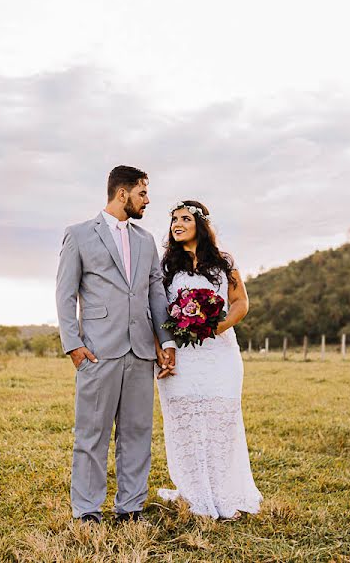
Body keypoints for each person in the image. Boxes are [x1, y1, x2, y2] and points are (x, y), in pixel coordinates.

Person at [55, 165, 177, 524]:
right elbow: (65, 295)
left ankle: (131, 507)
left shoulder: (146, 240)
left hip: (140, 352)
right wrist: (73, 345)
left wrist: (165, 340)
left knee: (138, 433)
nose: (147, 200)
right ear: (122, 193)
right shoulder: (78, 235)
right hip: (97, 351)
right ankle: (87, 510)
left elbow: (156, 293)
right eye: (142, 193)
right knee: (91, 434)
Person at [155, 199, 263, 519]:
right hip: (182, 356)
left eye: (185, 218)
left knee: (220, 421)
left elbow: (240, 302)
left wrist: (218, 327)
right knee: (184, 424)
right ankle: (194, 492)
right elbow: (157, 309)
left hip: (220, 354)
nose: (177, 223)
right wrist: (163, 348)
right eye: (174, 219)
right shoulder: (165, 267)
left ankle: (224, 490)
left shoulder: (223, 263)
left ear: (200, 225)